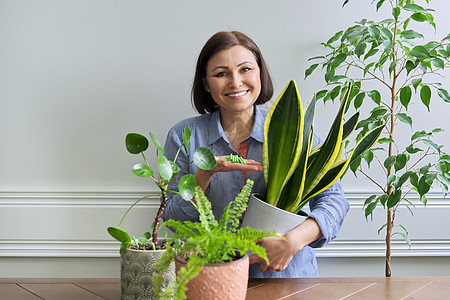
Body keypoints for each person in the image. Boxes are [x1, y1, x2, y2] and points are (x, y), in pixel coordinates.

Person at [161, 30, 349, 278]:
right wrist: (205, 173)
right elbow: (173, 218)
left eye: (245, 69)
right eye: (221, 73)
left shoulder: (294, 132)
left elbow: (335, 201)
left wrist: (292, 242)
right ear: (206, 83)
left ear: (260, 73)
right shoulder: (184, 136)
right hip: (214, 280)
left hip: (288, 279)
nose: (236, 82)